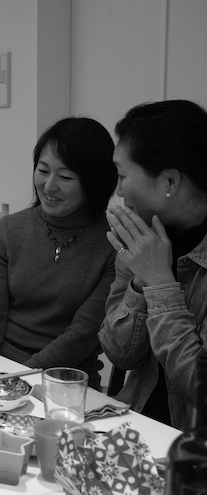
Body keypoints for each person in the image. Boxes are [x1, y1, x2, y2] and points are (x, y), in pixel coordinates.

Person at [0, 117, 118, 390]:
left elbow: (82, 334)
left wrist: (20, 379)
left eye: (65, 177)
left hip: (69, 380)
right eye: (43, 170)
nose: (49, 186)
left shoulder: (112, 244)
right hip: (2, 369)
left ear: (95, 182)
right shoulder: (8, 231)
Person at [99, 100, 207, 430]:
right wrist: (139, 281)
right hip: (139, 423)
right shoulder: (143, 237)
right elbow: (120, 353)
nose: (118, 191)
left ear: (169, 182)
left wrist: (159, 281)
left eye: (122, 176)